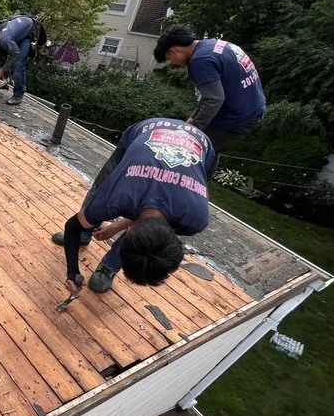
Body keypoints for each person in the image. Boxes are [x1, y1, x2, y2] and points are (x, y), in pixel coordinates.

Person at [52, 117, 216, 295]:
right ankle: (87, 232)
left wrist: (116, 226)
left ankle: (108, 266)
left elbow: (151, 224)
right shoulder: (113, 197)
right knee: (101, 186)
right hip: (146, 129)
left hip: (200, 144)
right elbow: (72, 226)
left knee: (146, 241)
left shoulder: (194, 218)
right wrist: (72, 272)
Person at [153, 26, 266, 151]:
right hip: (253, 107)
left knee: (193, 149)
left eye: (169, 59)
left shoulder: (200, 61)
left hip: (238, 117)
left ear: (173, 52)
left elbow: (214, 99)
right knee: (207, 147)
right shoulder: (213, 45)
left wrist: (192, 129)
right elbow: (210, 95)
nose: (173, 63)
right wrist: (192, 119)